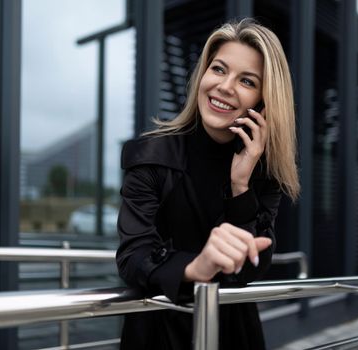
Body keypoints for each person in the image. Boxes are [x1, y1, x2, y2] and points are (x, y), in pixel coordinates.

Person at [116, 18, 300, 350]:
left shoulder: (264, 172)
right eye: (218, 69)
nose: (225, 86)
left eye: (246, 80)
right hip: (159, 329)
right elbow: (133, 257)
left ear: (263, 101)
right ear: (202, 75)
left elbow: (249, 271)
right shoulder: (150, 155)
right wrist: (196, 266)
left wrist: (240, 185)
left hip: (233, 331)